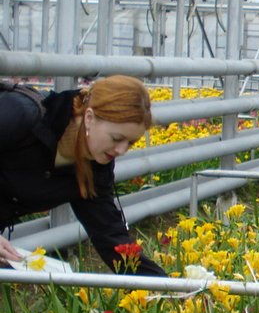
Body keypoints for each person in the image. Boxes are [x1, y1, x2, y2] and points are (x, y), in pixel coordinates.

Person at [0, 75, 166, 276]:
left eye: (130, 143)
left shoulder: (95, 167)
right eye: (117, 138)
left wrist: (170, 290)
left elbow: (111, 238)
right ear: (89, 117)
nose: (122, 150)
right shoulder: (21, 114)